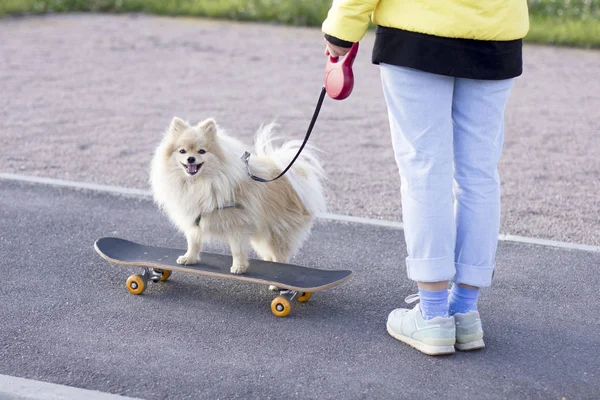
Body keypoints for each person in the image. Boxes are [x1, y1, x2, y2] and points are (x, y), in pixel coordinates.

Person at [322, 0, 529, 355]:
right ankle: (464, 312)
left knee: (424, 169)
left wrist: (342, 28)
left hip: (417, 32)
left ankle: (433, 316)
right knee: (479, 175)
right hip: (497, 34)